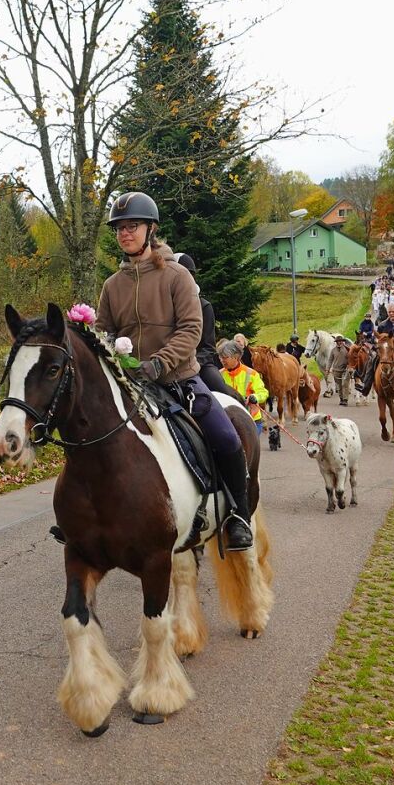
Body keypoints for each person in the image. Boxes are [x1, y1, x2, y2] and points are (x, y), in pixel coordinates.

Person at [96, 191, 253, 550]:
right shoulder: (112, 286)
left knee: (227, 439)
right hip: (130, 384)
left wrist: (160, 362)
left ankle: (239, 516)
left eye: (131, 226)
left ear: (150, 229)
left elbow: (191, 330)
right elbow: (104, 331)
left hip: (178, 380)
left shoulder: (177, 276)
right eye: (119, 228)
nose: (124, 233)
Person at [173, 252, 241, 402]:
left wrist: (191, 362)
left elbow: (208, 348)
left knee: (225, 395)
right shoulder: (162, 307)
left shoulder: (204, 306)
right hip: (167, 365)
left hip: (199, 364)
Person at [217, 340, 269, 436]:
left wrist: (255, 397)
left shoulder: (251, 374)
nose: (222, 360)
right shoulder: (218, 375)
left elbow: (263, 393)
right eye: (220, 357)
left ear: (236, 357)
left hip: (251, 421)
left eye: (225, 357)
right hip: (228, 421)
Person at [328, 334, 351, 406]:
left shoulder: (347, 349)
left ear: (343, 342)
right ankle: (341, 399)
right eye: (338, 341)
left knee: (345, 384)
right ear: (336, 342)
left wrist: (349, 366)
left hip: (345, 370)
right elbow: (330, 360)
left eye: (341, 341)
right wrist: (327, 369)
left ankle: (345, 399)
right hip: (336, 370)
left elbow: (351, 359)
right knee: (339, 386)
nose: (340, 342)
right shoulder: (333, 350)